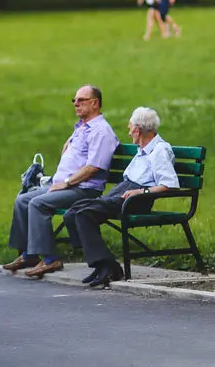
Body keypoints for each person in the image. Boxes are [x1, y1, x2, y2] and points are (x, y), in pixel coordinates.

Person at [2, 85, 120, 277]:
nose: (76, 104)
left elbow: (94, 167)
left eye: (81, 100)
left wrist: (66, 183)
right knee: (22, 199)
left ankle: (50, 259)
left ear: (95, 103)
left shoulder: (101, 131)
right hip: (67, 185)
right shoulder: (82, 128)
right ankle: (29, 254)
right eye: (74, 100)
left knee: (38, 203)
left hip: (83, 189)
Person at [63, 107, 179, 287]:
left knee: (84, 214)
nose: (128, 131)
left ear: (137, 130)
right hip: (124, 192)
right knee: (72, 212)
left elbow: (169, 184)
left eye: (130, 127)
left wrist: (141, 192)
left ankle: (107, 266)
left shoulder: (159, 150)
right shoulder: (143, 149)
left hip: (136, 199)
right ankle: (102, 264)